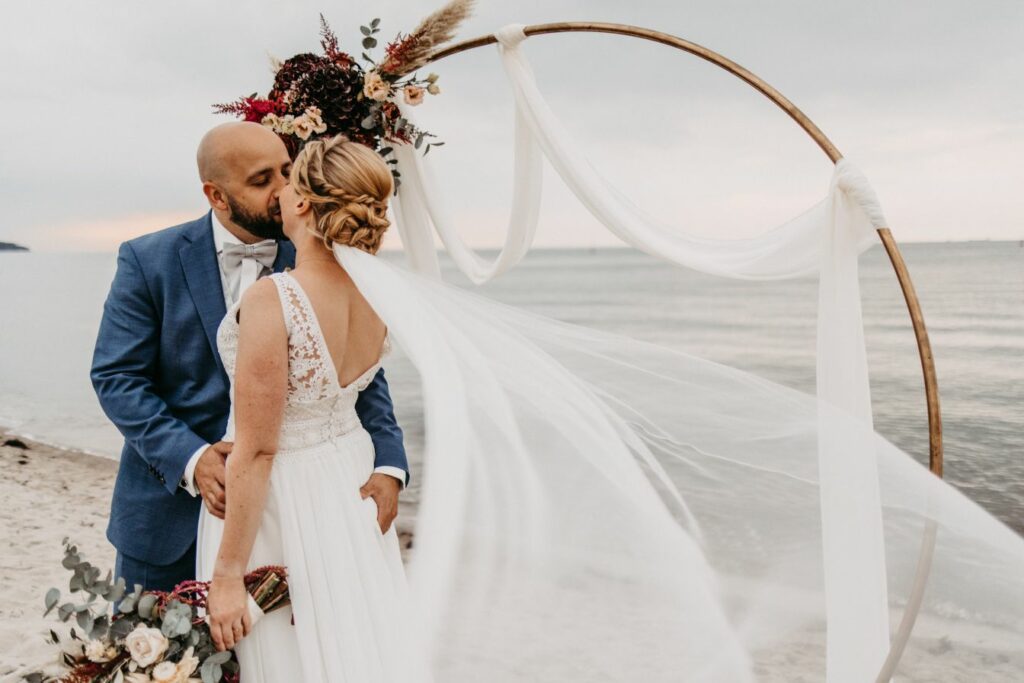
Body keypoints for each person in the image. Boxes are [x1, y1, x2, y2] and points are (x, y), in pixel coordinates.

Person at [91, 122, 408, 596]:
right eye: (262, 181)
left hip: (291, 515)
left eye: (286, 170)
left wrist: (390, 465)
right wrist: (192, 459)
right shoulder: (146, 260)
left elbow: (361, 379)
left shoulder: (316, 253)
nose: (283, 190)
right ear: (217, 196)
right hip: (167, 516)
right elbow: (117, 378)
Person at [202, 135, 429, 681]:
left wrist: (229, 574)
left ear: (303, 202)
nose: (278, 192)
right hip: (347, 485)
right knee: (351, 641)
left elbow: (256, 451)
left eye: (288, 181)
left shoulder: (272, 298)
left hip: (283, 496)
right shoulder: (377, 292)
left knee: (288, 657)